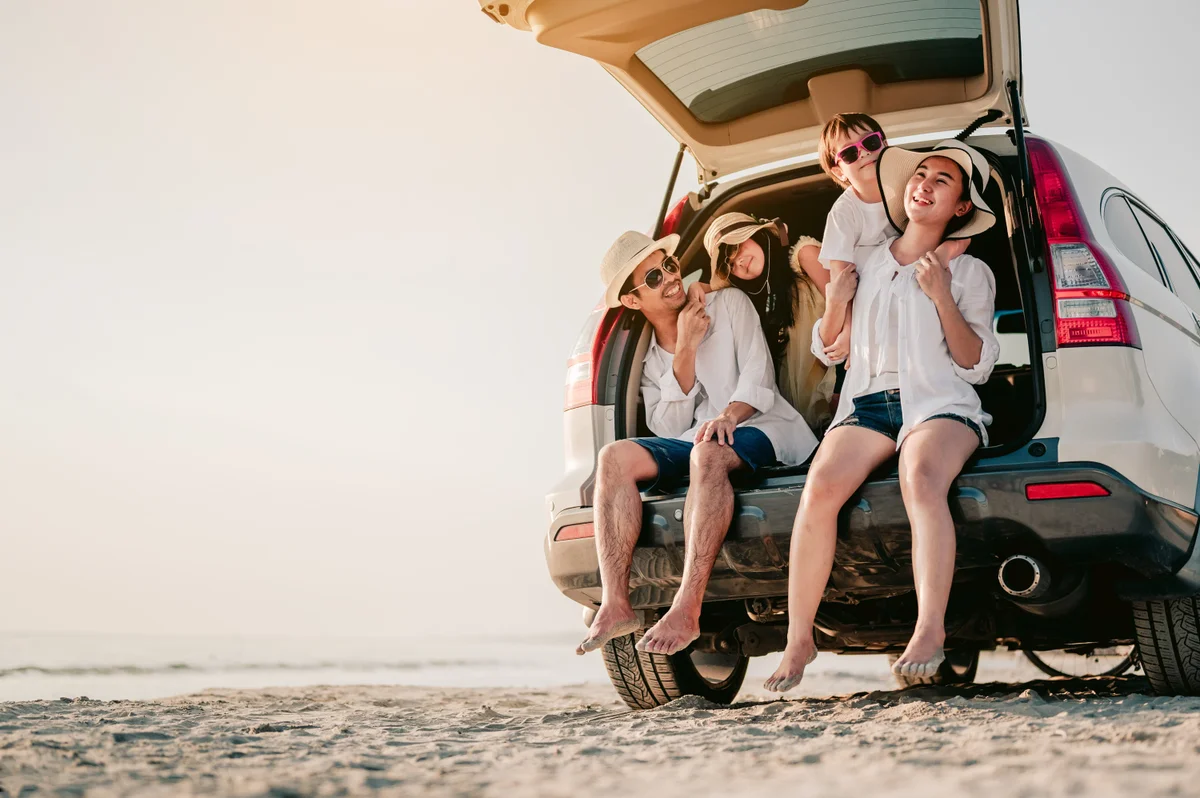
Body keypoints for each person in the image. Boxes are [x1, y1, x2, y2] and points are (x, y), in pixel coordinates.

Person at [764, 140, 1000, 692]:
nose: (925, 184)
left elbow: (976, 365)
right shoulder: (868, 261)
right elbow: (831, 350)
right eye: (920, 174)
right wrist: (838, 301)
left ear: (960, 208)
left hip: (939, 403)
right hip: (868, 404)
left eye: (943, 181)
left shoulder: (971, 273)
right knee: (819, 489)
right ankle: (800, 636)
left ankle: (929, 630)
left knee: (920, 478)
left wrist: (941, 295)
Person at [576, 230, 819, 658]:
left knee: (707, 450)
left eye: (668, 266)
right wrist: (684, 346)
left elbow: (759, 381)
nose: (670, 277)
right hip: (699, 438)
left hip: (765, 425)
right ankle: (616, 604)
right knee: (612, 457)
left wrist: (728, 416)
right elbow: (667, 424)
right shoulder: (649, 358)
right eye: (653, 277)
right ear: (633, 301)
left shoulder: (727, 305)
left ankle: (688, 606)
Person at [816, 113, 967, 363]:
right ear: (839, 171)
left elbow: (963, 234)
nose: (864, 153)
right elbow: (842, 283)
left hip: (910, 286)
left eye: (870, 143)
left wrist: (942, 255)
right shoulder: (844, 212)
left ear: (885, 145)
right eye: (850, 154)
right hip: (866, 297)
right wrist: (850, 331)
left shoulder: (912, 188)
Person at [693, 213, 836, 432]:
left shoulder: (802, 256)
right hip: (799, 415)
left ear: (756, 235)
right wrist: (697, 286)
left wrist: (843, 383)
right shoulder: (749, 295)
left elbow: (849, 310)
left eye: (737, 247)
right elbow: (716, 290)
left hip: (839, 383)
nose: (739, 261)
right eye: (730, 264)